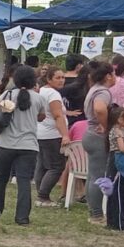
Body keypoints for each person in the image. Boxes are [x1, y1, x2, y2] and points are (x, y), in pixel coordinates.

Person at [0, 66, 45, 225]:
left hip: (6, 144)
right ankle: (22, 217)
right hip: (29, 145)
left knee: (0, 178)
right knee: (24, 181)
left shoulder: (8, 94)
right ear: (34, 80)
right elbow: (41, 117)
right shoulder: (38, 98)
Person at [82, 61, 116, 225]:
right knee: (98, 175)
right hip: (97, 135)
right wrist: (106, 126)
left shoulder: (93, 89)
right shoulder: (103, 92)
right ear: (108, 76)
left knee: (92, 175)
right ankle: (96, 214)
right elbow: (100, 109)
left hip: (88, 134)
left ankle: (93, 211)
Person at [35, 70, 71, 207]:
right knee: (56, 166)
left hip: (41, 133)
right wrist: (65, 135)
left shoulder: (42, 91)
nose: (62, 80)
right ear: (49, 79)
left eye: (63, 77)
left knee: (43, 165)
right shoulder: (53, 94)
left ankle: (41, 193)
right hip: (52, 134)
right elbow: (57, 115)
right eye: (58, 78)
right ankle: (43, 196)